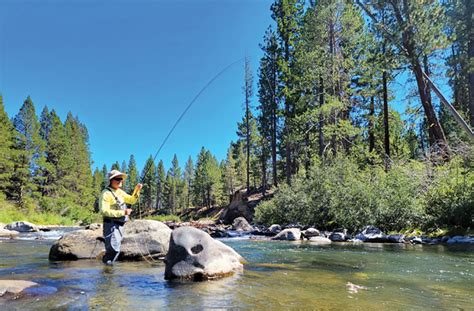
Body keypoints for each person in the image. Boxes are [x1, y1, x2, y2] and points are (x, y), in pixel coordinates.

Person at [99, 169, 142, 265]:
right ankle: (107, 274)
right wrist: (123, 212)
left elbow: (132, 200)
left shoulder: (120, 192)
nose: (120, 181)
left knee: (115, 251)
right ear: (111, 180)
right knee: (113, 250)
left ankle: (108, 272)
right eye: (117, 179)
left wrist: (137, 190)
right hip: (111, 226)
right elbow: (104, 211)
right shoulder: (106, 193)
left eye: (121, 179)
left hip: (119, 226)